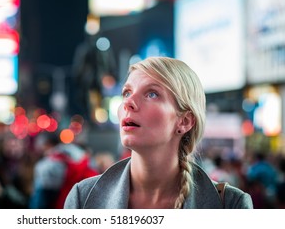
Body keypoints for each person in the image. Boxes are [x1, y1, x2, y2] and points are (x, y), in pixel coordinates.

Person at [64, 56, 253, 209]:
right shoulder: (83, 198)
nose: (128, 102)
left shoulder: (231, 205)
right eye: (127, 93)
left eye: (151, 94)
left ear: (185, 121)